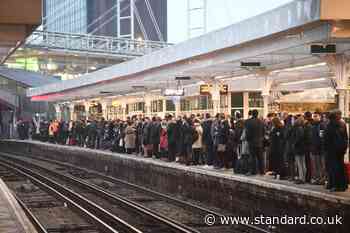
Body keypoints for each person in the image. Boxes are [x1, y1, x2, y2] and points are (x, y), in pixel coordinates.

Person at [324, 110, 348, 192]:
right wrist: (344, 148)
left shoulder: (331, 125)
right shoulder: (342, 124)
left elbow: (327, 139)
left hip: (333, 151)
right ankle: (341, 185)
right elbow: (345, 138)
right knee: (340, 168)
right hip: (339, 150)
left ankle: (334, 185)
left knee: (333, 168)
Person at [245, 109, 265, 175]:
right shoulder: (261, 122)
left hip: (251, 142)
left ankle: (253, 171)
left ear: (252, 114)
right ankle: (262, 171)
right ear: (257, 114)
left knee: (252, 157)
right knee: (260, 158)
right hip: (259, 142)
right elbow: (263, 132)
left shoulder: (248, 122)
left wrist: (248, 140)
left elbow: (247, 133)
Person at [291, 116, 307, 184]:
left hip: (298, 148)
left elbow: (298, 138)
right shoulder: (303, 128)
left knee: (300, 164)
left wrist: (294, 144)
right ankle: (303, 178)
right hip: (302, 148)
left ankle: (301, 178)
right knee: (303, 163)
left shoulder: (298, 128)